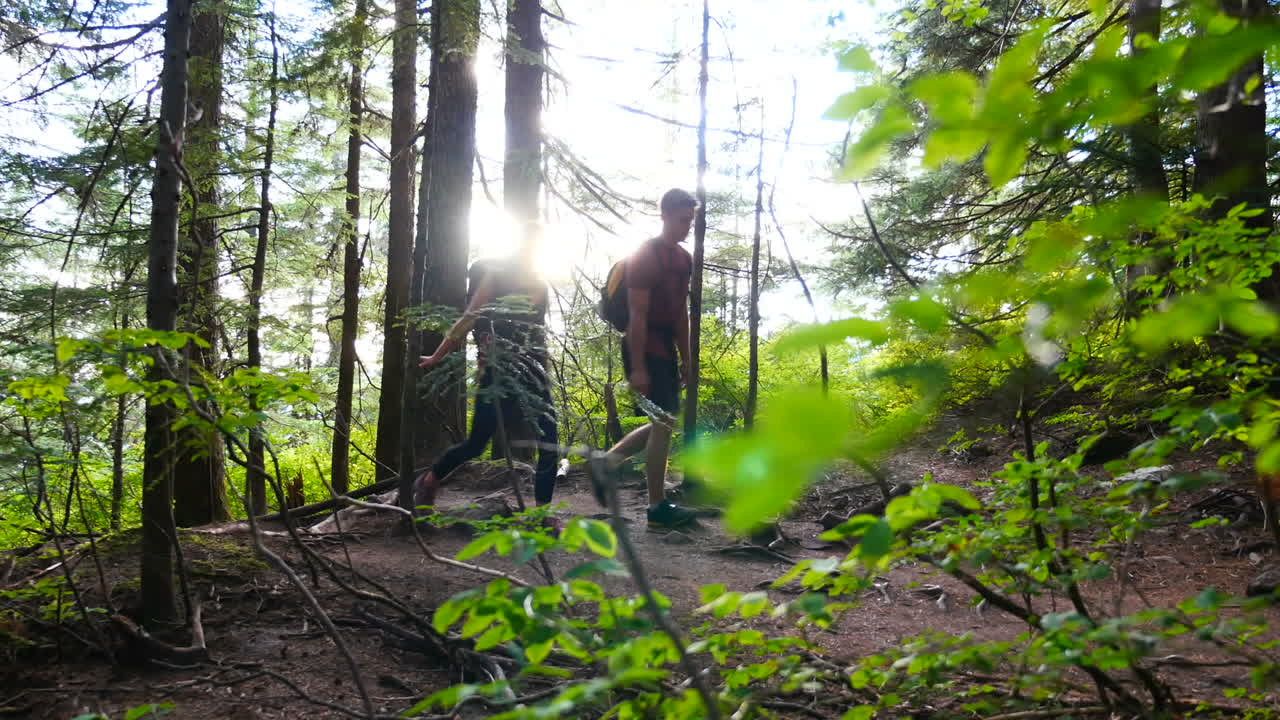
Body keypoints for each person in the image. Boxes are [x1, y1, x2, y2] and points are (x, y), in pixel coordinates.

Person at [414, 223, 561, 529]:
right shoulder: (496, 274)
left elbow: (537, 331)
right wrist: (437, 356)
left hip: (533, 370)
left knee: (550, 438)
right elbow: (470, 317)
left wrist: (543, 368)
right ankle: (429, 480)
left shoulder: (540, 283)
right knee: (478, 441)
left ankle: (542, 513)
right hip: (498, 370)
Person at [595, 188, 699, 528]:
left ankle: (607, 463)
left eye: (691, 221)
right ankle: (656, 508)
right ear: (665, 216)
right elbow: (637, 317)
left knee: (662, 422)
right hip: (643, 347)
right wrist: (638, 367)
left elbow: (681, 313)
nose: (687, 227)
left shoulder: (684, 260)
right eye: (683, 220)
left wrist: (687, 358)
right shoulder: (645, 257)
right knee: (664, 423)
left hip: (665, 348)